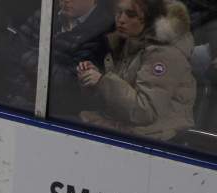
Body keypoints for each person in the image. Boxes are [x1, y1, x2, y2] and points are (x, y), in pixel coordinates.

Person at [77, 0, 197, 140]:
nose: (121, 20)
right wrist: (93, 81)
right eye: (119, 12)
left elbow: (144, 111)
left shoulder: (164, 54)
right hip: (126, 127)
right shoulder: (130, 43)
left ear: (151, 19)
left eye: (131, 14)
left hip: (155, 137)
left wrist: (103, 81)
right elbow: (116, 100)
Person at [11, 0, 115, 115]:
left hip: (56, 112)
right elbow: (13, 49)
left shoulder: (101, 31)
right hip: (15, 95)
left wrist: (33, 61)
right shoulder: (46, 12)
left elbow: (71, 82)